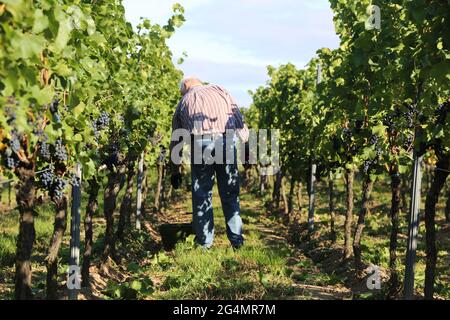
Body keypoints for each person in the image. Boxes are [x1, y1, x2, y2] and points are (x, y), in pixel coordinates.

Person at [169, 77, 250, 249]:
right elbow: (238, 120)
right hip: (225, 141)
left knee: (202, 194)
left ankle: (205, 244)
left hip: (200, 143)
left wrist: (174, 170)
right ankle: (237, 242)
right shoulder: (221, 91)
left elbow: (176, 140)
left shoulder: (184, 101)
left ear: (185, 87)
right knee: (230, 193)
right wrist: (247, 153)